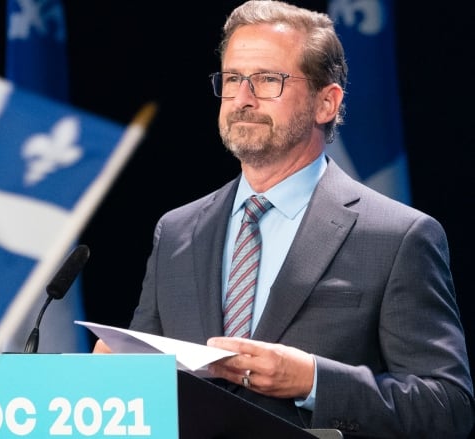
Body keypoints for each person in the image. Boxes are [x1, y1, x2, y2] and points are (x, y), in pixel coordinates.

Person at [92, 1, 474, 437]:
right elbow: (146, 385)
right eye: (233, 78)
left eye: (268, 80)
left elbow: (448, 408)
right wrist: (118, 376)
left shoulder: (397, 236)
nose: (242, 98)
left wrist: (314, 381)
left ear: (326, 103)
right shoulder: (178, 230)